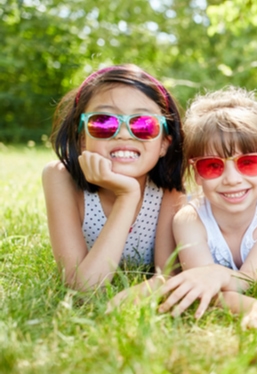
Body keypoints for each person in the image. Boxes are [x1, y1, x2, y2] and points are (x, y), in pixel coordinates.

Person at [156, 87, 257, 326]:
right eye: (212, 166)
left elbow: (251, 279)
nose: (232, 179)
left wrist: (216, 273)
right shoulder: (189, 220)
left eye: (248, 163)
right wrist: (250, 306)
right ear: (196, 173)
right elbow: (204, 289)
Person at [43, 64, 184, 290]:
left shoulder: (170, 186)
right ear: (82, 139)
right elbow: (83, 288)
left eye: (144, 124)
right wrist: (127, 196)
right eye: (103, 122)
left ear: (164, 144)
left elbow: (168, 276)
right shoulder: (60, 178)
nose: (124, 133)